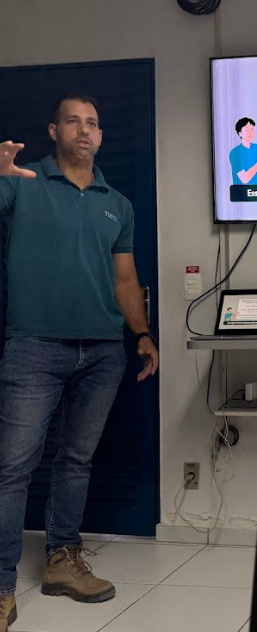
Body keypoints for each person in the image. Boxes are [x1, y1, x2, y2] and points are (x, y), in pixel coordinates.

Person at [0, 93, 159, 631]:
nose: (84, 130)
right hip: (34, 346)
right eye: (73, 121)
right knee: (13, 468)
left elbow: (124, 280)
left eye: (92, 122)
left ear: (101, 135)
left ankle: (62, 561)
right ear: (54, 131)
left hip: (102, 351)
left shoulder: (118, 203)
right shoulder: (21, 181)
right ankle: (1, 586)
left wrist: (142, 334)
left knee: (76, 461)